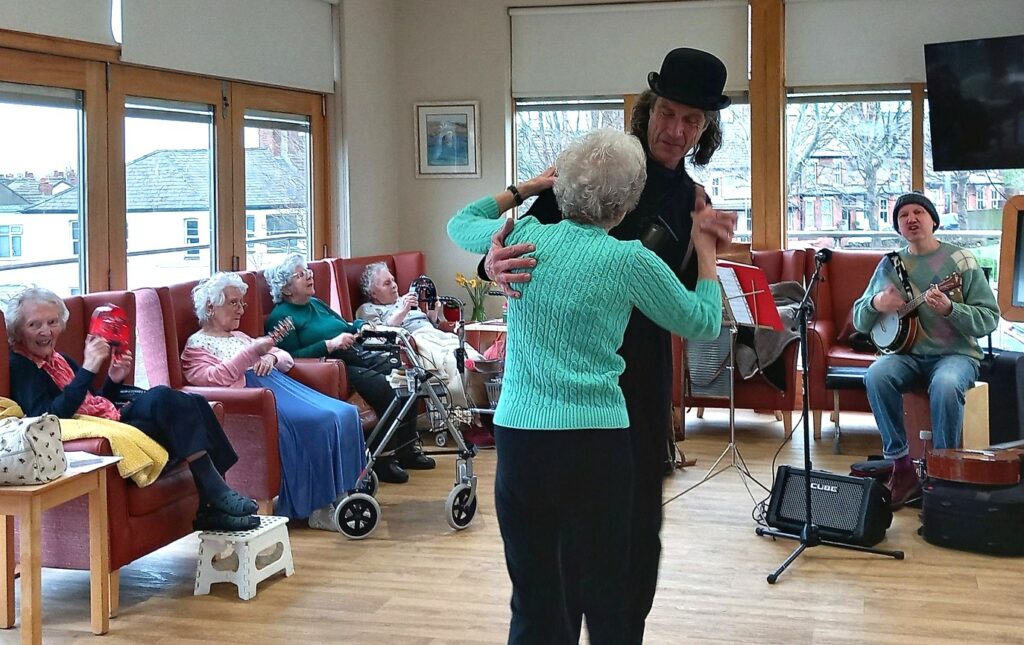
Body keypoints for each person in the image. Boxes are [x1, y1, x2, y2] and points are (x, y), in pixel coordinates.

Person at [478, 47, 737, 641]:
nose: (676, 130)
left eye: (692, 120)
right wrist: (491, 262)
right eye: (668, 113)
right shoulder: (595, 172)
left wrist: (707, 248)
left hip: (635, 396)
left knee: (632, 556)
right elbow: (507, 244)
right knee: (551, 571)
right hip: (550, 404)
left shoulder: (694, 202)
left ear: (705, 129)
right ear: (649, 109)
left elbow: (690, 310)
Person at [4, 287, 259, 531]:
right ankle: (216, 495)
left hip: (108, 420)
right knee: (162, 397)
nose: (45, 331)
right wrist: (88, 368)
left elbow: (94, 401)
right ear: (17, 331)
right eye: (34, 325)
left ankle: (212, 505)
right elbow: (47, 416)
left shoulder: (59, 360)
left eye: (52, 322)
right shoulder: (22, 366)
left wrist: (113, 379)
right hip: (99, 435)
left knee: (195, 402)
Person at [181, 272, 367, 530]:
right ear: (211, 307)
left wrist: (271, 357)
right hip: (255, 398)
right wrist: (253, 353)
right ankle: (318, 507)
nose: (241, 310)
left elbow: (285, 358)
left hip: (279, 386)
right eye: (234, 303)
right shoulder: (196, 345)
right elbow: (211, 379)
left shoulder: (240, 337)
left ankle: (344, 493)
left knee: (346, 413)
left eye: (242, 303)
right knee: (321, 422)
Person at [853, 192, 998, 508]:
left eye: (918, 212)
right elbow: (860, 320)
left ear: (934, 220)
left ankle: (942, 474)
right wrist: (876, 303)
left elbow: (990, 318)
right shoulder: (890, 265)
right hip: (906, 356)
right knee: (876, 375)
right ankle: (901, 466)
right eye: (903, 215)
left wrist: (951, 309)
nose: (911, 219)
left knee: (946, 384)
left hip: (956, 355)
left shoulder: (961, 260)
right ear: (898, 227)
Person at [263, 254, 434, 484]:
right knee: (385, 388)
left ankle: (407, 448)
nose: (310, 276)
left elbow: (345, 324)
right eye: (301, 274)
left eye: (308, 271)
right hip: (331, 365)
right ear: (285, 288)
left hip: (354, 352)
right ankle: (382, 459)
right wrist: (329, 344)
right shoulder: (281, 317)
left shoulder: (316, 303)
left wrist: (362, 326)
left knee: (408, 379)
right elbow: (289, 359)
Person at [355, 262, 488, 414]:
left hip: (436, 335)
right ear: (373, 293)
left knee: (474, 358)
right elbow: (380, 334)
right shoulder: (368, 309)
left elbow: (429, 323)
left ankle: (484, 412)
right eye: (387, 283)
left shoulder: (405, 300)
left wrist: (433, 313)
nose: (394, 285)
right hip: (417, 341)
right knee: (454, 363)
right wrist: (404, 310)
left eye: (393, 280)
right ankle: (463, 414)